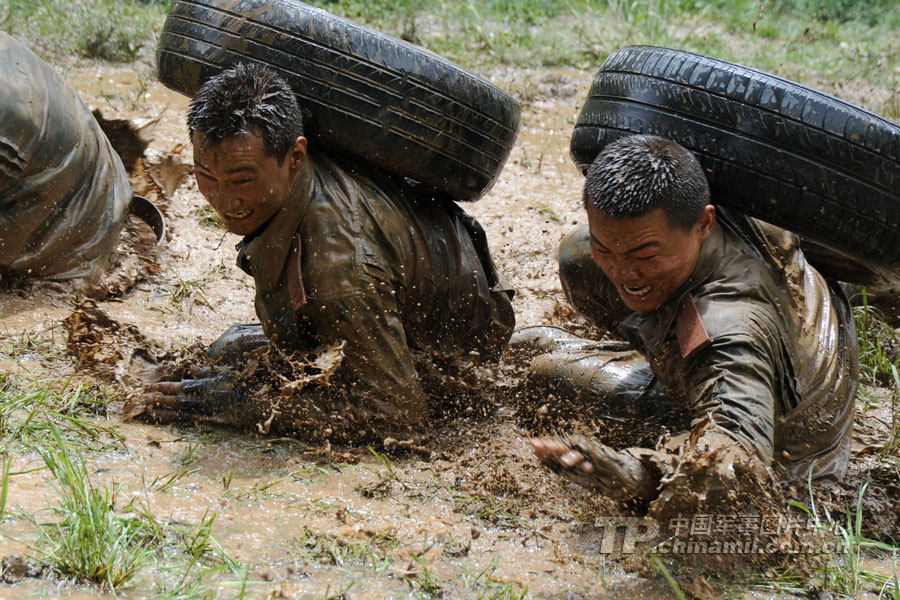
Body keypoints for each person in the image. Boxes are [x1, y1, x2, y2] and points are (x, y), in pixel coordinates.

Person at [142, 63, 515, 440]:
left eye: (242, 179)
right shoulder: (291, 171)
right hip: (386, 293)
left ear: (296, 158)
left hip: (454, 355)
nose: (224, 200)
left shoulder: (341, 269)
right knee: (231, 346)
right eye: (207, 178)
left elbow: (398, 414)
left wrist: (240, 403)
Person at [517, 134, 857, 513]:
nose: (623, 271)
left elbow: (736, 458)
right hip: (795, 325)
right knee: (578, 258)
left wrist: (639, 474)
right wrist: (626, 257)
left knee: (545, 374)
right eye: (607, 247)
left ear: (704, 222)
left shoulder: (729, 325)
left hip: (789, 434)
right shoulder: (720, 194)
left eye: (644, 253)